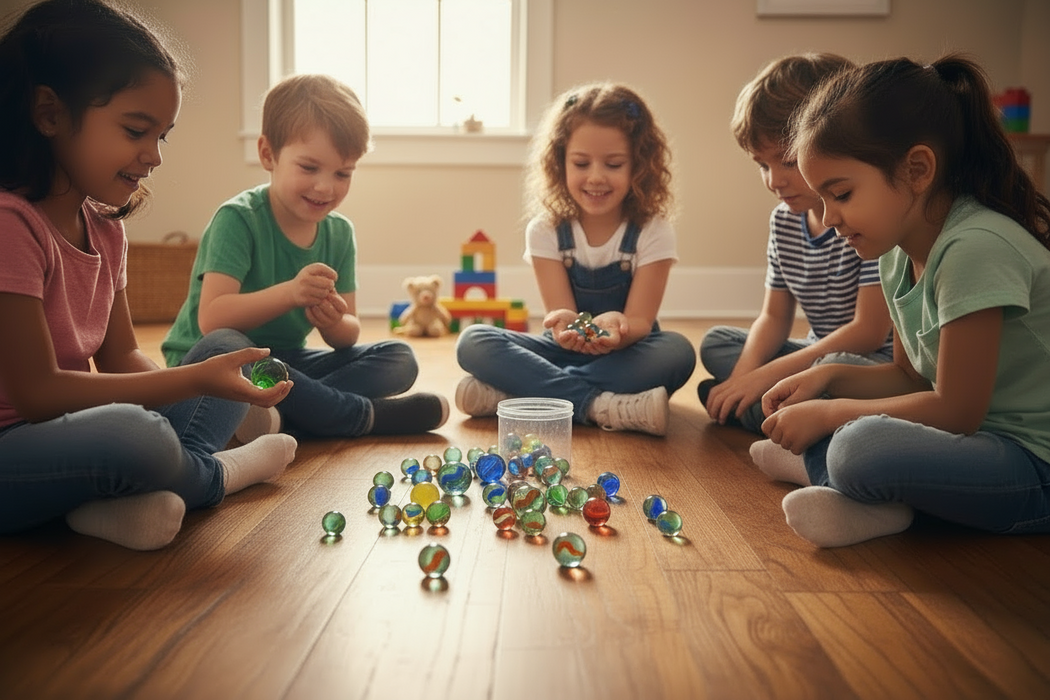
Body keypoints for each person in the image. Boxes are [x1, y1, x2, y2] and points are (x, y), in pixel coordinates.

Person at [0, 0, 298, 551]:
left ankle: (109, 503)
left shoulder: (106, 230)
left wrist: (208, 377)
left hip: (71, 432)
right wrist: (192, 383)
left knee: (225, 346)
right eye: (137, 130)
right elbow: (39, 395)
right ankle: (218, 476)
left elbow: (120, 358)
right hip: (13, 447)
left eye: (161, 136)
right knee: (136, 437)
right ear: (49, 114)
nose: (154, 156)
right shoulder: (10, 225)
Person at [751, 54, 1050, 548]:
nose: (828, 219)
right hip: (971, 441)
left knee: (857, 445)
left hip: (1033, 464)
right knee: (839, 371)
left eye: (841, 194)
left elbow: (956, 410)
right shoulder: (895, 253)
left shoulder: (975, 246)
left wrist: (830, 413)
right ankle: (870, 498)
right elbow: (911, 377)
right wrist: (826, 375)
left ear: (917, 169)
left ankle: (847, 484)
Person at [161, 73, 448, 439]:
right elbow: (213, 320)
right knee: (230, 348)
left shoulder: (339, 232)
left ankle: (285, 413)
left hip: (285, 363)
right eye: (309, 167)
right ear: (268, 154)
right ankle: (360, 417)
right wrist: (290, 294)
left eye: (343, 173)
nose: (326, 186)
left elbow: (348, 334)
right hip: (216, 360)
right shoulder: (238, 218)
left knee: (398, 358)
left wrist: (331, 322)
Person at [455, 82, 696, 436]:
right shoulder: (546, 230)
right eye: (581, 163)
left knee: (677, 352)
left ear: (639, 166)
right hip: (563, 351)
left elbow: (641, 320)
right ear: (560, 161)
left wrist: (618, 330)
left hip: (624, 354)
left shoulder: (653, 231)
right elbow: (561, 315)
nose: (596, 177)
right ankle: (600, 406)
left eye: (613, 164)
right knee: (473, 341)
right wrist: (565, 326)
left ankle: (516, 393)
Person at [698, 54, 894, 433]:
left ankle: (780, 415)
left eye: (786, 162)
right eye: (762, 165)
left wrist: (763, 377)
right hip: (812, 354)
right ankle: (774, 411)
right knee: (717, 343)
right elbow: (773, 318)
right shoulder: (784, 221)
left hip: (866, 366)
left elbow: (868, 332)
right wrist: (740, 381)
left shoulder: (870, 220)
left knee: (823, 372)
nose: (774, 180)